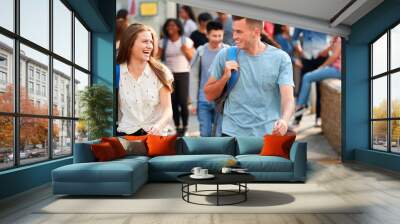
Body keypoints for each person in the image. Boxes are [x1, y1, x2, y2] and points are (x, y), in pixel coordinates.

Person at [204, 16, 295, 137]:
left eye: (239, 32)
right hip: (232, 134)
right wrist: (225, 77)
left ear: (256, 32)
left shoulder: (281, 58)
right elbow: (209, 95)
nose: (234, 36)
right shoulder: (225, 55)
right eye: (234, 31)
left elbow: (288, 99)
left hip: (268, 134)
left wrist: (284, 120)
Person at [116, 23, 174, 136]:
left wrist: (158, 126)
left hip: (155, 137)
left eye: (151, 42)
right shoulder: (117, 72)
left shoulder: (161, 72)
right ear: (130, 44)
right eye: (145, 41)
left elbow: (168, 110)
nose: (150, 46)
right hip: (126, 137)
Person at [190, 21, 228, 136]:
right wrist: (193, 101)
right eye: (214, 36)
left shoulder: (227, 50)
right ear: (207, 35)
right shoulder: (201, 51)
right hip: (203, 100)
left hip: (222, 100)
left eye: (219, 36)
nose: (217, 39)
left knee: (219, 135)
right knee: (205, 134)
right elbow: (194, 76)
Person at [158, 18, 195, 136]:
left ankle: (185, 126)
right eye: (168, 26)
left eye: (173, 25)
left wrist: (185, 50)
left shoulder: (186, 41)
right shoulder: (163, 42)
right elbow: (157, 58)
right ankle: (178, 127)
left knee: (183, 102)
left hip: (183, 73)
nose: (170, 28)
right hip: (169, 75)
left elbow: (192, 59)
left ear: (179, 27)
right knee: (172, 102)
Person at [291, 28, 330, 126]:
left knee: (320, 88)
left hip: (322, 57)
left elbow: (334, 38)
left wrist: (327, 49)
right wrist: (299, 50)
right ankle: (297, 118)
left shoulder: (325, 18)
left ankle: (319, 117)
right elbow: (294, 38)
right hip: (307, 57)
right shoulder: (301, 22)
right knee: (302, 88)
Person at [295, 36, 342, 116]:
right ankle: (303, 104)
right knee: (308, 77)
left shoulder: (340, 39)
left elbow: (334, 56)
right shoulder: (335, 39)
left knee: (307, 77)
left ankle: (301, 105)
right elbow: (325, 53)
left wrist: (321, 67)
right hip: (335, 68)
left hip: (338, 69)